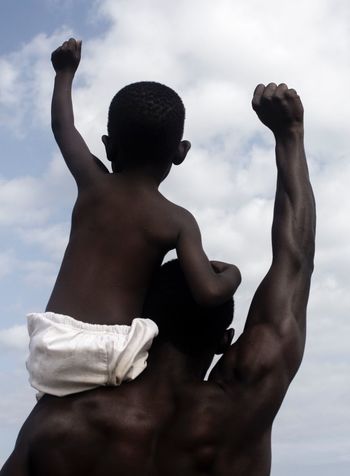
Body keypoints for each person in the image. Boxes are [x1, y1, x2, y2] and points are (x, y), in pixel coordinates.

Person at [0, 82, 315, 476]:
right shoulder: (241, 412)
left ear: (142, 325)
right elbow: (295, 261)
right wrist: (290, 137)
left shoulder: (57, 426)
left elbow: (64, 127)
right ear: (224, 341)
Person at [25, 38, 239, 398]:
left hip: (48, 347)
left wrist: (64, 72)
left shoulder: (92, 183)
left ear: (108, 147)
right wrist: (234, 275)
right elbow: (208, 292)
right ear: (180, 153)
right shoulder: (177, 219)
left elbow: (63, 127)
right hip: (116, 355)